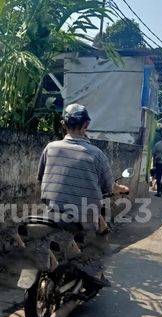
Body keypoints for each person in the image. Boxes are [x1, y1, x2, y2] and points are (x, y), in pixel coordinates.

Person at [37, 103, 130, 286]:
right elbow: (110, 187)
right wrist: (123, 190)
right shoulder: (96, 154)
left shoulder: (51, 147)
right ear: (86, 125)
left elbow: (40, 178)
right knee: (102, 232)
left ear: (64, 124)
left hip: (52, 210)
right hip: (82, 215)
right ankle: (95, 270)